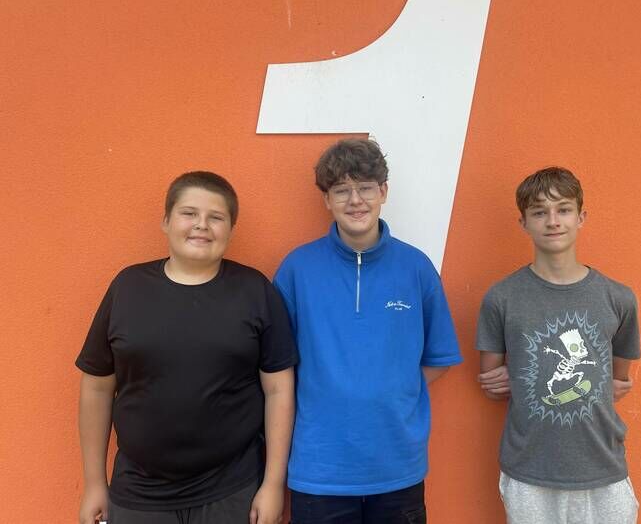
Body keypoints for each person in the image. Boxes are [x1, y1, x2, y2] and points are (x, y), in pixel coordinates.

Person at [77, 171, 297, 524]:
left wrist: (272, 484)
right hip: (139, 491)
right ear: (166, 221)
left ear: (231, 229)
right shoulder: (128, 288)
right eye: (189, 213)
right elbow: (97, 387)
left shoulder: (255, 291)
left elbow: (279, 389)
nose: (201, 225)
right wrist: (93, 484)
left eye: (216, 217)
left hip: (231, 489)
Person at [273, 138, 463, 523]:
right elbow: (277, 366)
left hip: (397, 465)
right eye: (341, 190)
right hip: (319, 468)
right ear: (327, 200)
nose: (355, 200)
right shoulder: (297, 269)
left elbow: (438, 359)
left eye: (365, 188)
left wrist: (390, 387)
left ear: (384, 192)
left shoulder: (416, 267)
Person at [476, 166, 641, 524]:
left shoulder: (618, 298)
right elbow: (492, 383)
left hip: (604, 469)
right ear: (523, 222)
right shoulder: (501, 298)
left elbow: (617, 379)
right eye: (539, 212)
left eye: (563, 209)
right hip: (529, 472)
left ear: (581, 217)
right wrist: (520, 375)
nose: (553, 221)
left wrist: (592, 378)